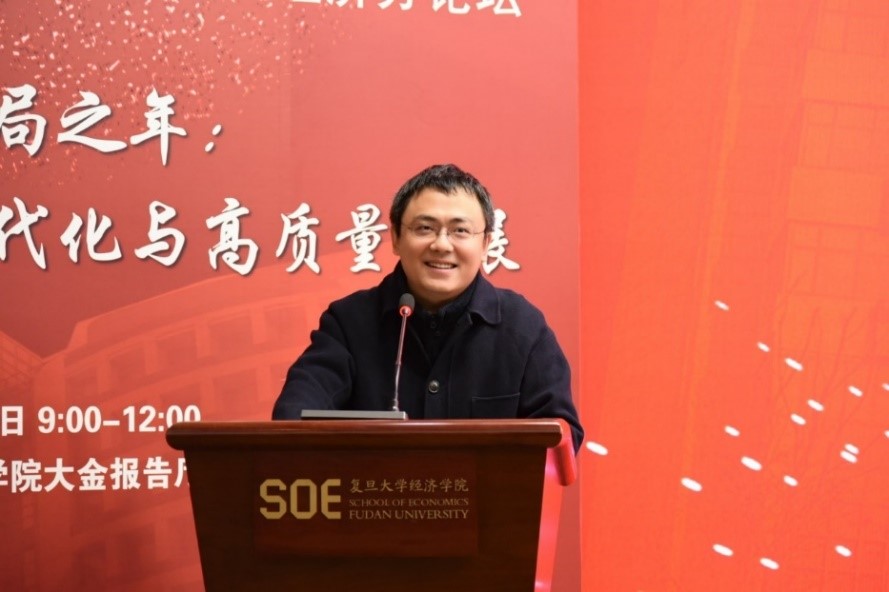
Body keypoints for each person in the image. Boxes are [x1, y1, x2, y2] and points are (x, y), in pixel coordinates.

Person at [272, 163, 584, 451]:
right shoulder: (349, 322)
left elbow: (561, 438)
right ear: (396, 237)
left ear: (486, 243)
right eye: (424, 228)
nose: (441, 245)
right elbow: (294, 415)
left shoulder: (522, 327)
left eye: (460, 230)